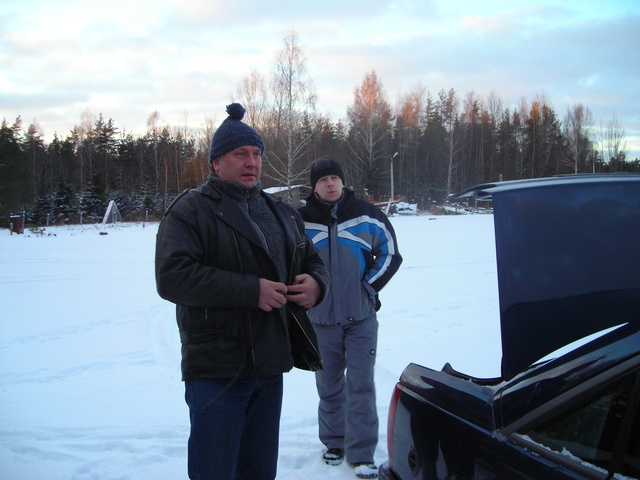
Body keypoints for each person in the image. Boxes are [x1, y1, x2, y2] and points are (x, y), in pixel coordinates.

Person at [155, 103, 330, 480]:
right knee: (214, 470)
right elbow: (172, 276)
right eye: (240, 154)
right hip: (218, 369)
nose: (251, 162)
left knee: (258, 470)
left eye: (256, 154)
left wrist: (317, 283)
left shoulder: (281, 210)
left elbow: (312, 259)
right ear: (216, 162)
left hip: (270, 366)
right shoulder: (191, 210)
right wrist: (249, 290)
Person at [298, 158, 403, 479]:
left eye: (335, 178)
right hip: (319, 320)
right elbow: (288, 259)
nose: (330, 184)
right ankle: (333, 442)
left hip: (361, 318)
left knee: (360, 385)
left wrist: (368, 287)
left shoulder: (366, 214)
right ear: (313, 186)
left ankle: (361, 454)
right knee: (328, 385)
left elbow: (390, 253)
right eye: (323, 180)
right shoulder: (300, 220)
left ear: (342, 182)